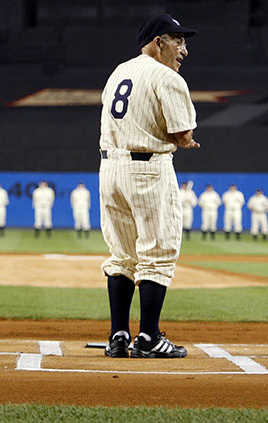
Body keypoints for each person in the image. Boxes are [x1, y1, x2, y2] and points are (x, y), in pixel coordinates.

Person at [99, 13, 198, 359]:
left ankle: (118, 336)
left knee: (122, 255)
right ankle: (150, 337)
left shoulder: (118, 72)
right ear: (158, 43)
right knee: (157, 253)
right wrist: (185, 140)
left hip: (110, 169)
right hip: (148, 170)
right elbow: (181, 133)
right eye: (178, 40)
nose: (183, 49)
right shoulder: (166, 76)